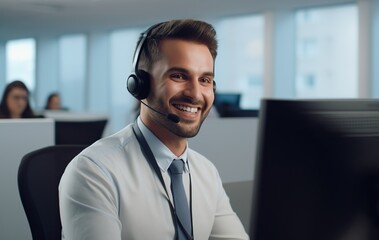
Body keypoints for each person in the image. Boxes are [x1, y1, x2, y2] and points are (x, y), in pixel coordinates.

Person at [59, 19, 249, 240]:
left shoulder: (206, 172)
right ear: (140, 84)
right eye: (178, 76)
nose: (196, 94)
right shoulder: (94, 171)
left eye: (205, 80)